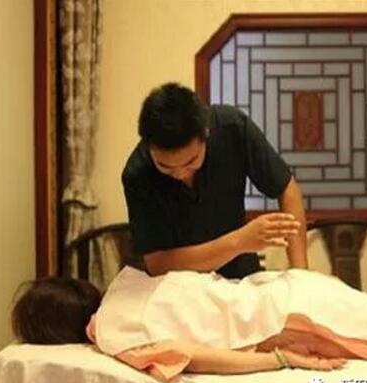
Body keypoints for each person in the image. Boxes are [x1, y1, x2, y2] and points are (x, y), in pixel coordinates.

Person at [12, 268, 367, 382]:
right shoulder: (130, 284)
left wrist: (282, 358)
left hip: (299, 316)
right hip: (292, 289)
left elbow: (198, 359)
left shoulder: (115, 335)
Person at [122, 82, 307, 278]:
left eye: (191, 162)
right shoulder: (137, 173)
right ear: (148, 146)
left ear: (206, 133)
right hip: (178, 285)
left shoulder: (232, 127)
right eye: (165, 167)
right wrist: (239, 241)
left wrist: (301, 276)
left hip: (241, 277)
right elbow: (158, 264)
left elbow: (286, 187)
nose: (180, 174)